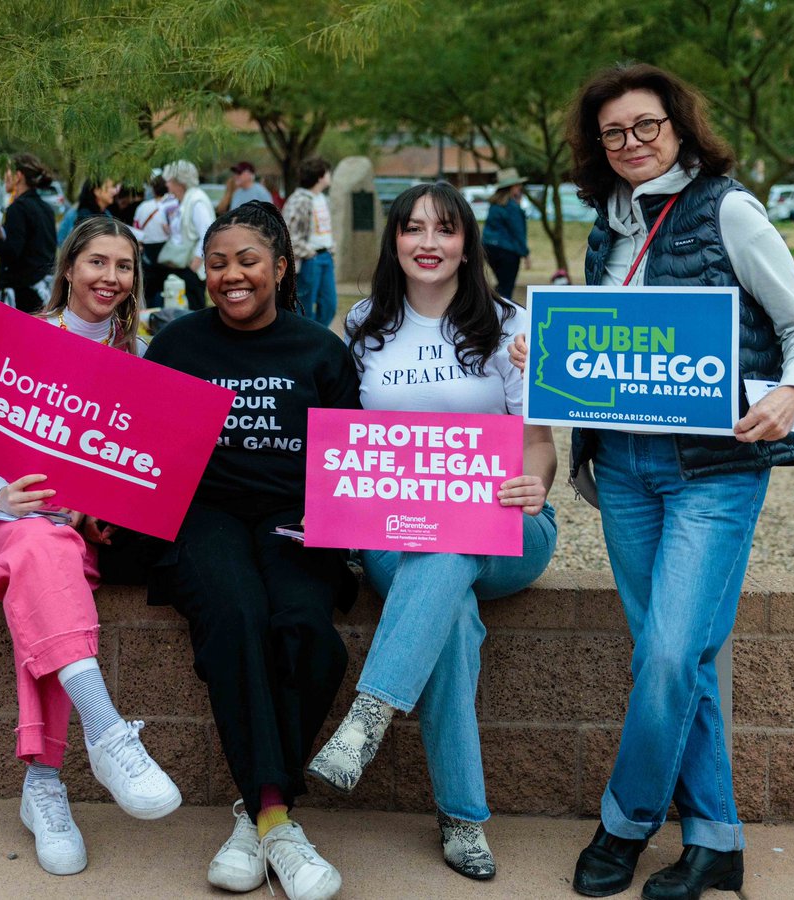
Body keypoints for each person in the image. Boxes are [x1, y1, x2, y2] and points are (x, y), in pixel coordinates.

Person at [509, 63, 794, 900]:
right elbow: (606, 350)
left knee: (670, 651)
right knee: (669, 658)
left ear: (679, 127)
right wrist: (544, 354)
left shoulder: (729, 208)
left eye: (646, 126)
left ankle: (624, 822)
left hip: (713, 472)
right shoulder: (605, 227)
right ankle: (717, 842)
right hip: (620, 468)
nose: (632, 144)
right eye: (613, 133)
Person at [306, 182, 557, 882]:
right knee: (449, 611)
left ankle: (369, 713)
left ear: (467, 243)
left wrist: (533, 482)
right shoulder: (363, 324)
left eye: (444, 230)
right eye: (412, 228)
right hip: (398, 533)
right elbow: (345, 445)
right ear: (393, 241)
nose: (427, 242)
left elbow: (539, 444)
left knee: (450, 543)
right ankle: (463, 818)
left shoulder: (510, 326)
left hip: (509, 526)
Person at [0, 216, 181, 877]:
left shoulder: (141, 357)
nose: (110, 277)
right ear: (69, 268)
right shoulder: (23, 336)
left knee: (48, 566)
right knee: (40, 548)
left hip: (68, 536)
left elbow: (132, 465)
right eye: (97, 262)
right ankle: (106, 736)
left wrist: (100, 510)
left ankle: (43, 787)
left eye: (124, 266)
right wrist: (3, 496)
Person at [143, 201, 359, 900]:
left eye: (247, 261)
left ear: (280, 268)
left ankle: (253, 819)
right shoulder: (176, 346)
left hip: (291, 519)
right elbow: (138, 448)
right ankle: (275, 816)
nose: (231, 275)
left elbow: (350, 464)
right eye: (216, 263)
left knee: (305, 633)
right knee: (234, 615)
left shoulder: (320, 351)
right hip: (202, 515)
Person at [0, 153, 57, 312]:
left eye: (7, 171)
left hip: (21, 292)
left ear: (18, 176)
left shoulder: (17, 208)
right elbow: (35, 246)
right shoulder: (46, 209)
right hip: (44, 288)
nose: (4, 177)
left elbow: (12, 252)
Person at [283, 158, 337, 326]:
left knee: (329, 305)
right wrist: (309, 252)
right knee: (304, 307)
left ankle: (318, 338)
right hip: (309, 260)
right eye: (328, 172)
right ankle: (305, 343)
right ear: (320, 176)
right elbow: (288, 234)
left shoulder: (322, 198)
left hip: (325, 256)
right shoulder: (299, 200)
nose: (330, 176)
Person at [161, 159, 216, 311]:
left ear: (180, 182)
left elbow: (208, 232)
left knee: (194, 309)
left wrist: (196, 262)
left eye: (169, 181)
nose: (167, 185)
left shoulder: (196, 200)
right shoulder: (186, 199)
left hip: (192, 268)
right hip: (184, 264)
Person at [481, 167, 530, 299]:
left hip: (489, 249)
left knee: (501, 285)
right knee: (506, 289)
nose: (520, 187)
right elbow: (518, 232)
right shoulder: (512, 207)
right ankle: (502, 315)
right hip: (508, 252)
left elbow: (488, 228)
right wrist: (526, 254)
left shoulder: (494, 205)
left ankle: (494, 307)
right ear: (512, 187)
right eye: (518, 185)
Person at [132, 176, 177, 308]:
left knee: (148, 289)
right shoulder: (172, 205)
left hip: (147, 251)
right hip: (166, 249)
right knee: (166, 286)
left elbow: (136, 228)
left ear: (152, 189)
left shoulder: (143, 206)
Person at [57, 178, 118, 244]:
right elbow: (61, 241)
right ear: (97, 191)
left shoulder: (108, 216)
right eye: (110, 187)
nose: (114, 191)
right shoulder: (74, 215)